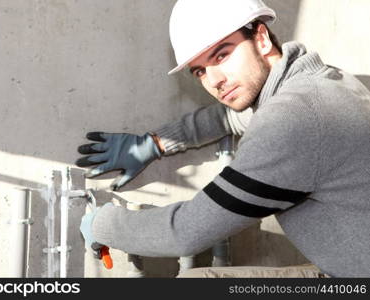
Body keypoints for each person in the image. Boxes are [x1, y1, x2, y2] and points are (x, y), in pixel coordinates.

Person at [76, 0, 370, 277]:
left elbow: (184, 232)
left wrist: (101, 223)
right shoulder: (319, 82)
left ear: (262, 38)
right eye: (201, 70)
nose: (214, 80)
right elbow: (229, 117)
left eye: (222, 54)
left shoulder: (293, 120)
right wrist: (156, 143)